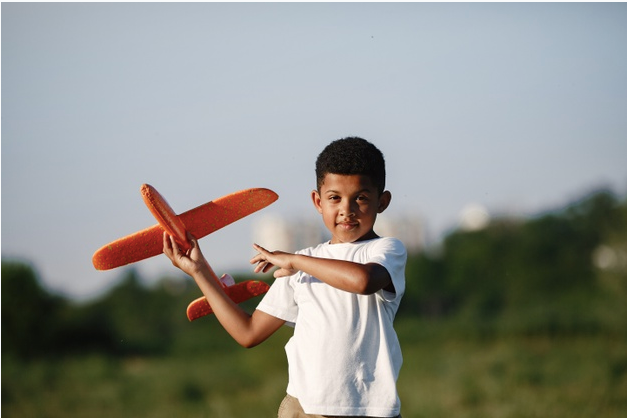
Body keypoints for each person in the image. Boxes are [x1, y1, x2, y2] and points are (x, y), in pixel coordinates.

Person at [163, 137, 407, 418]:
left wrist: (294, 259)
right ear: (318, 201)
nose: (346, 210)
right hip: (303, 410)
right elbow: (249, 333)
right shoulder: (302, 266)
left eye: (361, 198)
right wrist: (199, 270)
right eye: (334, 198)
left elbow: (363, 282)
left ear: (383, 201)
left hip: (370, 411)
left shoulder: (385, 250)